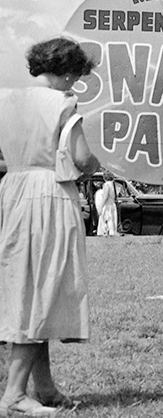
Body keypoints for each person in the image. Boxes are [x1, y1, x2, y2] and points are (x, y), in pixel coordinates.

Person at [0, 36, 99, 415]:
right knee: (41, 288)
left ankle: (45, 387)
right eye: (74, 76)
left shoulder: (6, 99)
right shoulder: (63, 103)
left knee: (26, 288)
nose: (74, 84)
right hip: (48, 193)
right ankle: (13, 395)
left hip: (12, 191)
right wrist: (91, 167)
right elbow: (81, 156)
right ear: (66, 71)